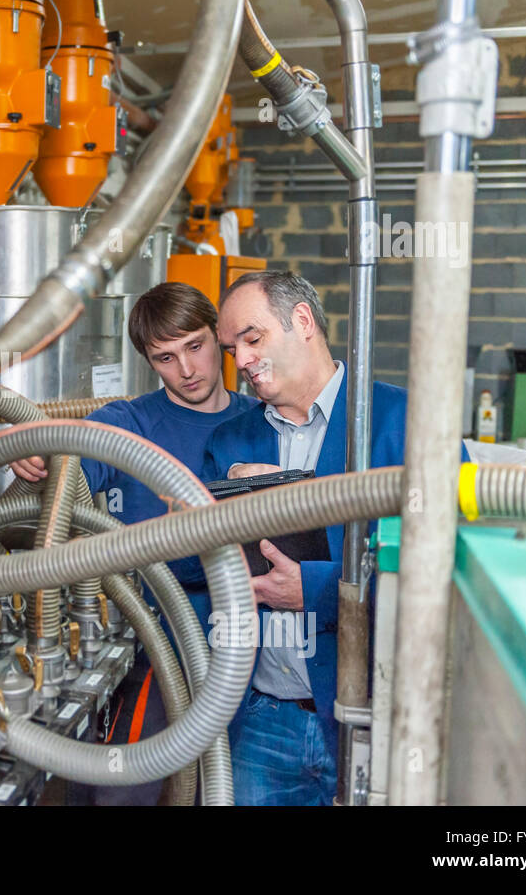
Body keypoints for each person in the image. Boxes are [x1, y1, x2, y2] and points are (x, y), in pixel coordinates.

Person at [201, 270, 445, 806]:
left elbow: (452, 575)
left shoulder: (405, 422)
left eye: (253, 338)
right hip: (261, 719)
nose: (239, 361)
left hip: (369, 718)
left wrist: (314, 588)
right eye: (231, 347)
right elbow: (199, 573)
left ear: (303, 321)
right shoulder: (230, 443)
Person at [10, 282, 257, 805]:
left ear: (219, 337)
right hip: (152, 645)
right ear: (148, 361)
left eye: (195, 346)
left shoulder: (260, 424)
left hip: (247, 647)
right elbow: (71, 466)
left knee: (226, 789)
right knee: (124, 792)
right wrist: (38, 459)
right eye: (165, 358)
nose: (187, 370)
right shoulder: (127, 424)